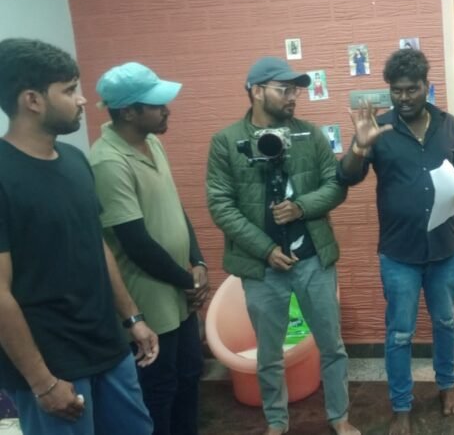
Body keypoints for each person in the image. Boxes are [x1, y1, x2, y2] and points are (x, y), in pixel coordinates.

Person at [0, 38, 159, 435]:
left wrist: (132, 317)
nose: (83, 99)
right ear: (32, 100)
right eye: (70, 90)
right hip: (53, 364)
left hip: (108, 346)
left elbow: (96, 244)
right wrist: (42, 381)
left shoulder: (74, 160)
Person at [206, 56, 359, 435]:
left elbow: (336, 185)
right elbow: (220, 205)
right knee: (269, 354)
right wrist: (265, 249)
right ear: (257, 91)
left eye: (296, 90)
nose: (293, 97)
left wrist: (301, 207)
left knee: (332, 346)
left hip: (313, 259)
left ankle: (340, 417)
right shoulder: (226, 142)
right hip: (261, 267)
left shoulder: (311, 136)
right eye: (284, 89)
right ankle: (276, 422)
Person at [337, 48, 454, 435]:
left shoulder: (448, 125)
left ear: (426, 86)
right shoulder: (379, 129)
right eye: (396, 90)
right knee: (400, 333)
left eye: (411, 89)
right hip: (398, 253)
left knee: (446, 322)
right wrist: (359, 146)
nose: (403, 97)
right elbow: (346, 177)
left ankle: (447, 386)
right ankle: (401, 405)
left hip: (444, 248)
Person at [89, 62, 208, 435]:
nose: (166, 110)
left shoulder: (152, 142)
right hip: (149, 300)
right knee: (158, 391)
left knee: (190, 376)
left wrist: (198, 261)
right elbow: (135, 243)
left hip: (178, 293)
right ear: (129, 111)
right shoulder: (108, 162)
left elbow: (175, 208)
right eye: (156, 105)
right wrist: (188, 281)